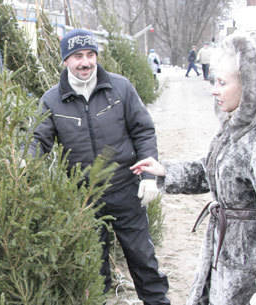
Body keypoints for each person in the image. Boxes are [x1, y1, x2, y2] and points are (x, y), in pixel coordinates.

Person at [131, 31, 256, 305]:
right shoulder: (241, 121)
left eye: (222, 82)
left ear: (251, 84)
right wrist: (166, 172)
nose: (214, 89)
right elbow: (217, 171)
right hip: (227, 253)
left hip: (252, 268)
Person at [32, 28, 171, 305]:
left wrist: (146, 176)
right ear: (65, 61)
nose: (85, 62)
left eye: (90, 54)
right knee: (93, 264)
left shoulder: (120, 88)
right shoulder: (52, 100)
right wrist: (23, 164)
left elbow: (143, 131)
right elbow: (37, 139)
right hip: (83, 196)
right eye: (77, 56)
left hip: (125, 187)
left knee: (142, 256)